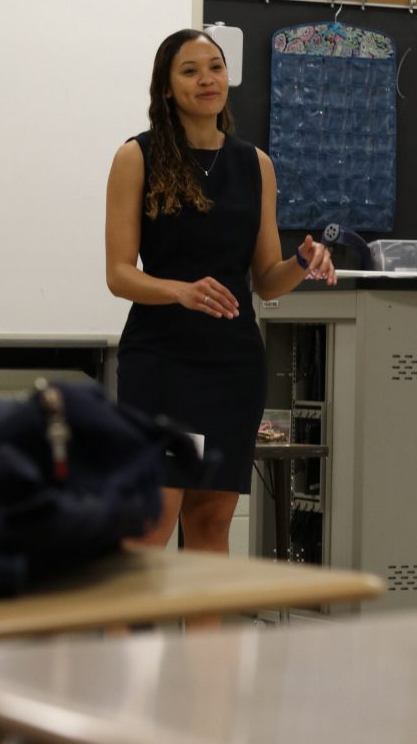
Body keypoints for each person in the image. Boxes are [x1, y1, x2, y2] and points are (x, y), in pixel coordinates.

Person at [105, 28, 336, 557]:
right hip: (161, 361)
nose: (206, 79)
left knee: (212, 522)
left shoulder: (255, 165)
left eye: (215, 67)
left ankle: (206, 645)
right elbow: (120, 274)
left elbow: (264, 279)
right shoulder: (136, 158)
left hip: (232, 364)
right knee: (151, 525)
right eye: (190, 70)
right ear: (166, 88)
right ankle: (130, 642)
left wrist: (302, 262)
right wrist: (180, 291)